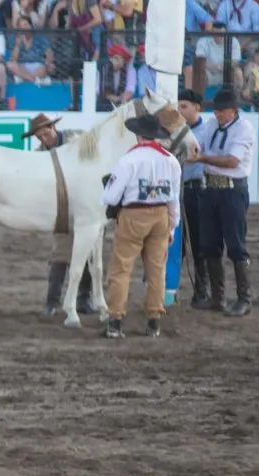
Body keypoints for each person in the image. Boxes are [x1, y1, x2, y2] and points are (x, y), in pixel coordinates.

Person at [101, 113, 182, 338]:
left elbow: (110, 197)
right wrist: (172, 226)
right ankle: (154, 321)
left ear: (138, 135)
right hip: (161, 215)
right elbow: (174, 198)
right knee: (157, 270)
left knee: (121, 269)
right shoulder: (170, 160)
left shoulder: (128, 160)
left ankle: (115, 321)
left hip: (133, 215)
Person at [189, 86, 254, 317]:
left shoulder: (244, 129)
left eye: (221, 110)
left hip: (231, 190)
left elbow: (232, 161)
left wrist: (202, 158)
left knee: (236, 245)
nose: (217, 113)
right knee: (210, 244)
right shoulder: (211, 125)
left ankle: (244, 298)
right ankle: (218, 297)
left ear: (233, 110)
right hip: (211, 189)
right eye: (216, 110)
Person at [23, 113, 95, 316]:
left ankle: (79, 300)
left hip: (83, 203)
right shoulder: (40, 155)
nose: (43, 139)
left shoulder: (76, 139)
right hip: (62, 207)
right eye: (39, 137)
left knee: (86, 252)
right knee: (62, 252)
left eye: (45, 134)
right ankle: (54, 301)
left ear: (53, 128)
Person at [176, 88, 213, 308]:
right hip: (178, 190)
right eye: (178, 106)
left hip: (196, 189)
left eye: (184, 106)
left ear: (197, 108)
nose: (180, 110)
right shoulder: (177, 130)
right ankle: (169, 288)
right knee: (174, 242)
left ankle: (201, 291)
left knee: (199, 242)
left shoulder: (206, 131)